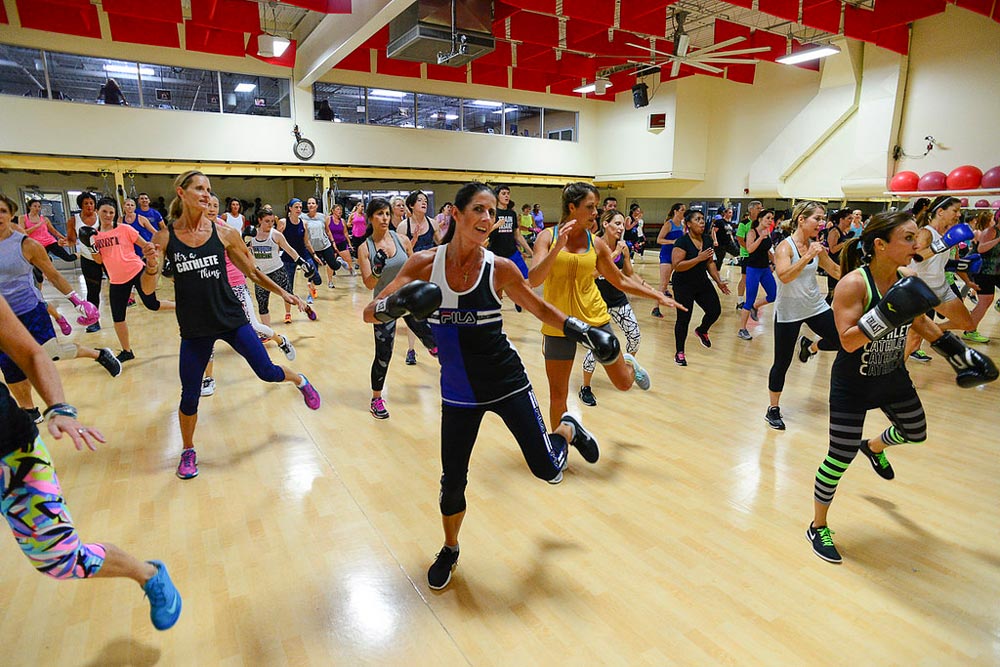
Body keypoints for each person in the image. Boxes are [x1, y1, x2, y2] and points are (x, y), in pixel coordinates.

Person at [361, 182, 622, 590]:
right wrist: (392, 305)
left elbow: (539, 306)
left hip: (506, 382)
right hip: (458, 393)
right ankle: (449, 548)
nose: (487, 219)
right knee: (452, 483)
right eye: (478, 210)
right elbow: (367, 314)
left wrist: (584, 331)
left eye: (490, 212)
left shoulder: (499, 267)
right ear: (456, 216)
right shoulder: (424, 264)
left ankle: (567, 427)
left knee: (548, 469)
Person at [807, 210, 996, 563]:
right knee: (839, 457)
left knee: (915, 431)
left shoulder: (906, 277)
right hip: (853, 383)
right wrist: (887, 314)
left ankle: (874, 446)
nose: (916, 244)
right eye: (908, 238)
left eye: (915, 237)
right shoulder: (853, 284)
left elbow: (920, 322)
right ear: (880, 245)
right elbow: (847, 342)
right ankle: (818, 526)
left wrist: (957, 352)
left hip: (893, 375)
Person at [0, 293, 181, 631]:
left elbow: (30, 351)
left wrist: (59, 408)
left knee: (61, 558)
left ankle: (149, 575)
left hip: (9, 453)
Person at [140, 171, 321, 480]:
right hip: (195, 328)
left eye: (209, 189)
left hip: (230, 319)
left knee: (266, 372)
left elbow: (252, 272)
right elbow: (147, 291)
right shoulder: (165, 237)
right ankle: (187, 450)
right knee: (189, 394)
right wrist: (151, 267)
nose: (206, 194)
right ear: (181, 193)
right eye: (199, 188)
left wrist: (284, 293)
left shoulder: (224, 234)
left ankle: (300, 380)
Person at [529, 182, 683, 454]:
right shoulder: (547, 237)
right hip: (558, 324)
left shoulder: (596, 244)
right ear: (572, 207)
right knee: (558, 395)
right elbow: (534, 279)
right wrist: (557, 248)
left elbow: (621, 280)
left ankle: (629, 363)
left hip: (595, 321)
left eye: (596, 207)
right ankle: (559, 449)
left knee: (623, 384)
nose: (595, 213)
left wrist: (656, 295)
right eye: (590, 207)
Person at [0, 193, 121, 421]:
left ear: (11, 214)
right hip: (2, 319)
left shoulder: (27, 244)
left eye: (2, 211)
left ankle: (99, 354)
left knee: (51, 354)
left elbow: (53, 275)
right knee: (9, 364)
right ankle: (28, 409)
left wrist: (77, 301)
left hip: (30, 310)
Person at [200, 195, 296, 397]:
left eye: (214, 206)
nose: (211, 208)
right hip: (211, 290)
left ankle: (281, 340)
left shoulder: (227, 231)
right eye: (207, 205)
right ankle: (208, 377)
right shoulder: (194, 232)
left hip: (235, 284)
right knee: (205, 334)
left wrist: (255, 270)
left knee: (252, 326)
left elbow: (247, 254)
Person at [765, 201, 842, 430]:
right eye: (817, 218)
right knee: (782, 362)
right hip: (789, 311)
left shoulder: (816, 246)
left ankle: (810, 347)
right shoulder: (785, 248)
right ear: (801, 219)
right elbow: (784, 276)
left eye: (823, 218)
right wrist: (808, 256)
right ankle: (773, 409)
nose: (822, 223)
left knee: (842, 340)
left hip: (815, 306)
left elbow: (836, 271)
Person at [358, 198, 436, 419]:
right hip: (384, 303)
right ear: (371, 218)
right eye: (379, 214)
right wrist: (377, 269)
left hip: (409, 299)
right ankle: (376, 399)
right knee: (383, 354)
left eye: (386, 213)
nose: (384, 218)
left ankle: (454, 382)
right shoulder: (365, 248)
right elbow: (369, 283)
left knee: (434, 342)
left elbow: (415, 268)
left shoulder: (402, 240)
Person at [88, 197, 174, 362]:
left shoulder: (124, 229)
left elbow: (144, 244)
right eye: (104, 211)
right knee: (118, 317)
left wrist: (153, 251)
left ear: (115, 213)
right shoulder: (94, 236)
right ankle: (127, 351)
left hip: (136, 270)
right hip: (117, 279)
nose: (108, 215)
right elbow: (99, 260)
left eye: (111, 212)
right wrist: (90, 245)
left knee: (152, 304)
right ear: (97, 211)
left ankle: (180, 306)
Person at [578, 210, 643, 407]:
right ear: (605, 224)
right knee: (597, 347)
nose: (621, 227)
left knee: (635, 338)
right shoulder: (594, 245)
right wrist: (613, 254)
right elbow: (590, 274)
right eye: (617, 223)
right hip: (596, 304)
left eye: (623, 224)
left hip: (618, 300)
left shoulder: (623, 246)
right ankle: (585, 387)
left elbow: (628, 272)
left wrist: (648, 288)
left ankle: (628, 370)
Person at [905, 196, 979, 360]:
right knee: (914, 339)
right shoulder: (926, 232)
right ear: (940, 212)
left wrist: (962, 265)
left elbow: (938, 262)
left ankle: (931, 328)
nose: (958, 215)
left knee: (968, 324)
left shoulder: (945, 235)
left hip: (940, 287)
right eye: (955, 210)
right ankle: (893, 375)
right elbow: (915, 257)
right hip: (920, 289)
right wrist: (943, 244)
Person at [670, 209, 730, 366]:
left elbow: (710, 262)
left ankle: (702, 330)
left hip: (701, 281)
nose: (702, 222)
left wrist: (719, 282)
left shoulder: (707, 240)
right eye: (697, 219)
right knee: (684, 319)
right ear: (688, 224)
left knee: (715, 310)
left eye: (703, 219)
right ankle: (679, 353)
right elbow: (677, 266)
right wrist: (698, 258)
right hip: (683, 284)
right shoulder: (682, 242)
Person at [248, 207, 317, 328]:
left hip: (277, 271)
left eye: (272, 221)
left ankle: (306, 308)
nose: (270, 224)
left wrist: (302, 263)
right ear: (259, 220)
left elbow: (289, 249)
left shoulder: (276, 235)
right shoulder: (252, 235)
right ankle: (268, 332)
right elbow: (243, 251)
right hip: (261, 274)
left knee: (289, 297)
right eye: (267, 221)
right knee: (262, 304)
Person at [398, 190, 443, 364]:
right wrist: (414, 241)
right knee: (414, 313)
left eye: (425, 200)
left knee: (436, 310)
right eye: (419, 200)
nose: (424, 203)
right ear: (411, 205)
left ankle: (439, 345)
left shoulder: (432, 224)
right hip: (413, 273)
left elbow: (442, 244)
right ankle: (411, 350)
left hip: (432, 270)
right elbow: (402, 253)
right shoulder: (404, 227)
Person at [736, 208, 777, 341]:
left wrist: (775, 262)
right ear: (760, 219)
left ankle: (755, 307)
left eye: (771, 218)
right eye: (768, 218)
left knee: (772, 295)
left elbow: (768, 251)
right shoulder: (752, 232)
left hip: (765, 269)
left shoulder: (768, 232)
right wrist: (761, 237)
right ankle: (742, 329)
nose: (770, 220)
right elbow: (750, 249)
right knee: (749, 300)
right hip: (753, 269)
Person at [65, 192, 102, 332]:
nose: (89, 206)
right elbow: (72, 240)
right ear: (81, 205)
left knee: (118, 288)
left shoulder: (100, 216)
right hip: (88, 259)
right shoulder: (74, 220)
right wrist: (65, 242)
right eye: (86, 203)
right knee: (93, 291)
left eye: (91, 203)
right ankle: (93, 320)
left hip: (106, 257)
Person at [277, 198, 319, 318]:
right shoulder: (283, 222)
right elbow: (276, 240)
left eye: (300, 207)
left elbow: (306, 242)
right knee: (288, 287)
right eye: (296, 207)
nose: (299, 209)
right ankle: (288, 313)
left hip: (303, 255)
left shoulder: (304, 223)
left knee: (316, 277)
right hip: (288, 258)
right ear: (290, 208)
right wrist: (276, 255)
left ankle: (311, 289)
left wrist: (314, 255)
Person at [17, 199, 76, 274]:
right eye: (35, 206)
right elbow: (22, 232)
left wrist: (65, 238)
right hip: (36, 245)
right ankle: (47, 263)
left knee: (68, 258)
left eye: (39, 206)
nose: (37, 208)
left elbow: (54, 231)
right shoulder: (23, 218)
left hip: (50, 241)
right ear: (29, 207)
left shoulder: (45, 219)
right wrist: (37, 226)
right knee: (38, 269)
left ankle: (81, 255)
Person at [967, 209, 999, 337]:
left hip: (996, 272)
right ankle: (970, 330)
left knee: (986, 301)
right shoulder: (990, 231)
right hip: (984, 272)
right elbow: (981, 248)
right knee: (984, 302)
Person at [651, 203, 686, 317]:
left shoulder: (682, 225)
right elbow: (659, 239)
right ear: (675, 211)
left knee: (674, 282)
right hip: (666, 255)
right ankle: (655, 308)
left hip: (676, 256)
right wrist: (672, 242)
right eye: (682, 210)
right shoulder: (668, 224)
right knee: (663, 283)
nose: (684, 212)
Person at [301, 196, 341, 290]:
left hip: (325, 246)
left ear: (317, 205)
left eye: (313, 203)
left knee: (334, 265)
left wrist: (333, 243)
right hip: (312, 248)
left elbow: (328, 231)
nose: (311, 205)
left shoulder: (323, 217)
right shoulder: (302, 217)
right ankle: (311, 294)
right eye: (309, 203)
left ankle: (340, 261)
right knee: (312, 272)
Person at [735, 200, 763, 308]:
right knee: (745, 278)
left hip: (758, 256)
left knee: (754, 279)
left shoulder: (761, 223)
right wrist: (748, 249)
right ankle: (740, 301)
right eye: (758, 208)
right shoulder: (744, 223)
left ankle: (751, 301)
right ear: (751, 210)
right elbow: (740, 238)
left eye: (761, 208)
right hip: (747, 255)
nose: (760, 210)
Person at [823, 209, 853, 304]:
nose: (851, 221)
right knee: (832, 293)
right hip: (833, 264)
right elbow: (832, 249)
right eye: (849, 218)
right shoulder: (835, 231)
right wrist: (846, 242)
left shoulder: (845, 232)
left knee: (841, 292)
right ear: (841, 219)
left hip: (842, 263)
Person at [326, 204, 356, 276]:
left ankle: (350, 269)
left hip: (341, 242)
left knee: (349, 260)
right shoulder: (328, 219)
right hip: (331, 243)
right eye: (338, 209)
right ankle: (330, 281)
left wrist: (349, 244)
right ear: (333, 211)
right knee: (331, 263)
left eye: (341, 210)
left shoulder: (342, 221)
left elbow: (345, 233)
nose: (340, 211)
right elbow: (327, 231)